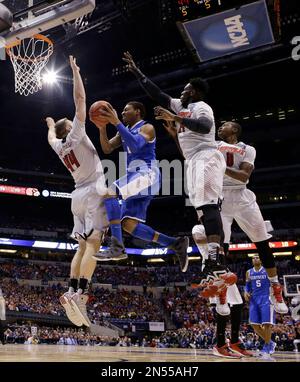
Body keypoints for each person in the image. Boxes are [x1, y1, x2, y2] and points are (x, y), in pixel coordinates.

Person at [123, 52, 231, 283]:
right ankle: (216, 259)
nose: (180, 91)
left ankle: (216, 258)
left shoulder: (201, 106)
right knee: (202, 211)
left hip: (206, 156)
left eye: (184, 88)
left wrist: (177, 119)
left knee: (208, 206)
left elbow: (204, 127)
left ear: (192, 91)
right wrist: (137, 72)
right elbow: (158, 94)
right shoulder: (179, 106)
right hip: (193, 160)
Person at [45, 56, 108, 327]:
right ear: (69, 128)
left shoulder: (59, 147)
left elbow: (51, 136)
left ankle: (71, 291)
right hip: (93, 191)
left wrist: (50, 126)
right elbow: (81, 100)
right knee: (93, 245)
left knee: (81, 246)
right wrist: (75, 72)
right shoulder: (76, 134)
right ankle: (81, 294)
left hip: (77, 196)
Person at [91, 101, 189, 271]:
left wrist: (116, 123)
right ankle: (175, 243)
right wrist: (101, 128)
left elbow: (136, 145)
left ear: (137, 112)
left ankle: (117, 247)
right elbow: (107, 148)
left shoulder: (147, 127)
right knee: (128, 224)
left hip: (147, 173)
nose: (121, 113)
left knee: (110, 192)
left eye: (125, 110)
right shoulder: (124, 130)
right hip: (134, 176)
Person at [217, 121, 287, 314]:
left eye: (226, 125)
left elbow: (243, 176)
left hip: (242, 195)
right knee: (221, 247)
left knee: (262, 242)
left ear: (236, 131)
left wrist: (220, 168)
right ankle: (222, 294)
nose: (221, 127)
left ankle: (276, 289)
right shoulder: (213, 145)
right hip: (220, 196)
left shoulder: (248, 149)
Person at [192, 225, 254, 358]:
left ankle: (235, 341)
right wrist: (217, 239)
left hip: (223, 267)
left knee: (237, 304)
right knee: (223, 306)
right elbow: (198, 240)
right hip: (210, 267)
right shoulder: (199, 227)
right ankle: (220, 345)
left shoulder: (221, 225)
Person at [244, 255, 277, 359]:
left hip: (266, 298)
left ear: (261, 260)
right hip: (254, 299)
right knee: (254, 325)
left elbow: (275, 283)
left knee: (267, 324)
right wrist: (245, 292)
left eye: (257, 257)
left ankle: (267, 347)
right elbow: (247, 285)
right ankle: (270, 342)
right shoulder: (249, 272)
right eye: (253, 258)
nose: (255, 259)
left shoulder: (267, 270)